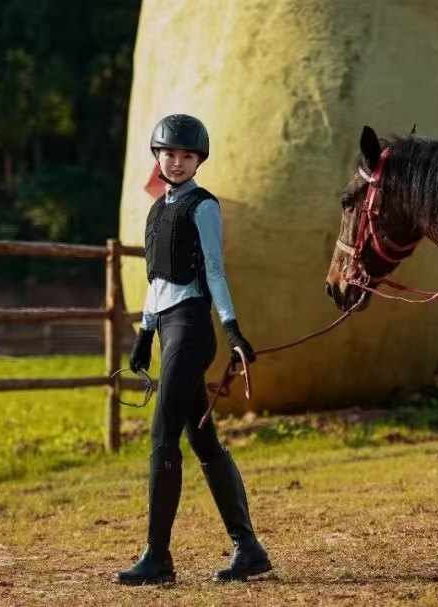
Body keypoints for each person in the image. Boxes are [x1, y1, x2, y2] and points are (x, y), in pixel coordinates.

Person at [114, 114, 271, 585]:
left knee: (164, 436)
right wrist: (144, 334)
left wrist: (233, 331)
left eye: (187, 156)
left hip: (192, 329)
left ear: (199, 160)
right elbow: (155, 279)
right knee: (202, 440)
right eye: (170, 154)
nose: (177, 162)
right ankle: (250, 549)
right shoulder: (158, 208)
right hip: (166, 328)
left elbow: (216, 272)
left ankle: (157, 558)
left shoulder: (203, 207)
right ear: (158, 157)